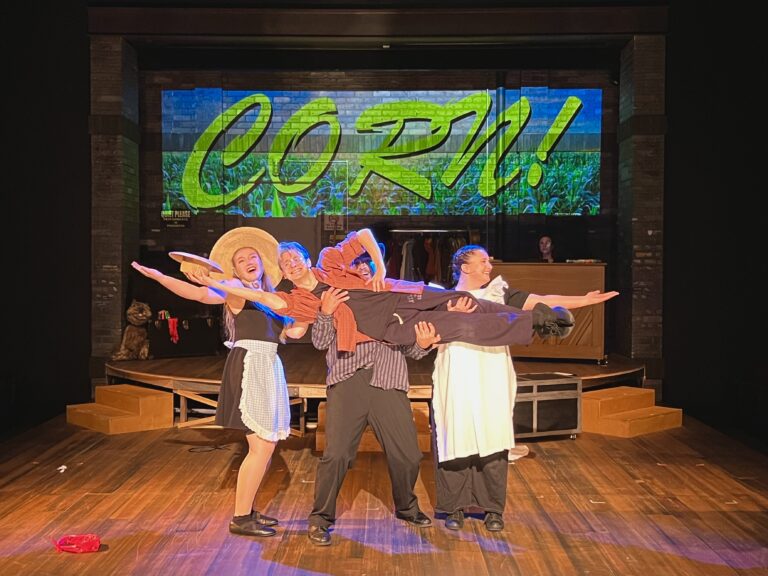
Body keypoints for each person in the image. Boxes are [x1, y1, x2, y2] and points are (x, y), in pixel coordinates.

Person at [131, 227, 307, 538]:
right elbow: (199, 294)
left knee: (266, 446)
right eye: (241, 260)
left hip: (269, 364)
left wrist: (310, 308)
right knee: (262, 446)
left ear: (262, 262)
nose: (248, 261)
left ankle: (248, 511)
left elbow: (293, 333)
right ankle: (241, 517)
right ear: (234, 270)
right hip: (251, 363)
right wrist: (160, 277)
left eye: (252, 256)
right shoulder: (235, 289)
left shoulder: (271, 297)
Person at [431, 244, 619, 532]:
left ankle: (493, 509)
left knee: (493, 436)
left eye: (489, 261)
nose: (489, 266)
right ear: (465, 267)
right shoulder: (443, 299)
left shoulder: (501, 294)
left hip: (491, 370)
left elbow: (544, 300)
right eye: (483, 261)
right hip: (456, 370)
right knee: (456, 433)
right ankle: (453, 506)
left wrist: (585, 300)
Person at [197, 229, 575, 355]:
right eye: (285, 261)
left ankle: (538, 318)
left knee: (465, 302)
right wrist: (217, 282)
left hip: (400, 294)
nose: (292, 263)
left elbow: (363, 235)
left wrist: (379, 267)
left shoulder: (329, 261)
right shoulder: (298, 301)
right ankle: (534, 325)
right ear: (282, 271)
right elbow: (263, 298)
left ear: (307, 258)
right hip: (387, 326)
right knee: (458, 326)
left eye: (295, 256)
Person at [305, 285, 443, 546]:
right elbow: (320, 342)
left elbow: (410, 349)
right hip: (348, 381)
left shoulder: (393, 302)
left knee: (408, 455)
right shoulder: (342, 298)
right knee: (336, 455)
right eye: (357, 269)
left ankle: (406, 507)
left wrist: (422, 345)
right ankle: (320, 517)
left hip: (388, 381)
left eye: (368, 269)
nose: (363, 273)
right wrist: (325, 313)